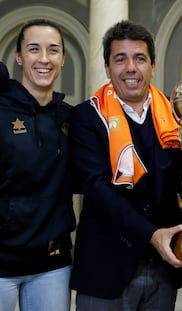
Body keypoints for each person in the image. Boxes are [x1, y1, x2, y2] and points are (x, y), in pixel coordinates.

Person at [69, 20, 182, 310]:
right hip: (105, 267)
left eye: (139, 58)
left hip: (163, 267)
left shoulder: (175, 116)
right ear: (108, 68)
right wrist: (151, 234)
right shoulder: (87, 117)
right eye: (120, 59)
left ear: (153, 65)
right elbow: (95, 189)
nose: (130, 68)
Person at [0, 19, 76, 311]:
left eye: (53, 50)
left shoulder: (72, 118)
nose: (44, 59)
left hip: (52, 264)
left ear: (63, 58)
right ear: (19, 57)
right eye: (34, 49)